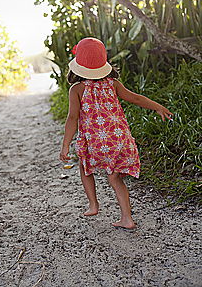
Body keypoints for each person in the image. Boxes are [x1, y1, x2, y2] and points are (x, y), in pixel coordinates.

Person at [60, 37, 172, 230]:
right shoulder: (113, 84)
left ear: (77, 66)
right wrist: (157, 107)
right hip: (119, 141)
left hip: (94, 142)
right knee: (114, 177)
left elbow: (72, 118)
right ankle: (127, 218)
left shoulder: (76, 89)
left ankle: (93, 205)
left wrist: (65, 144)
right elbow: (135, 98)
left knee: (85, 168)